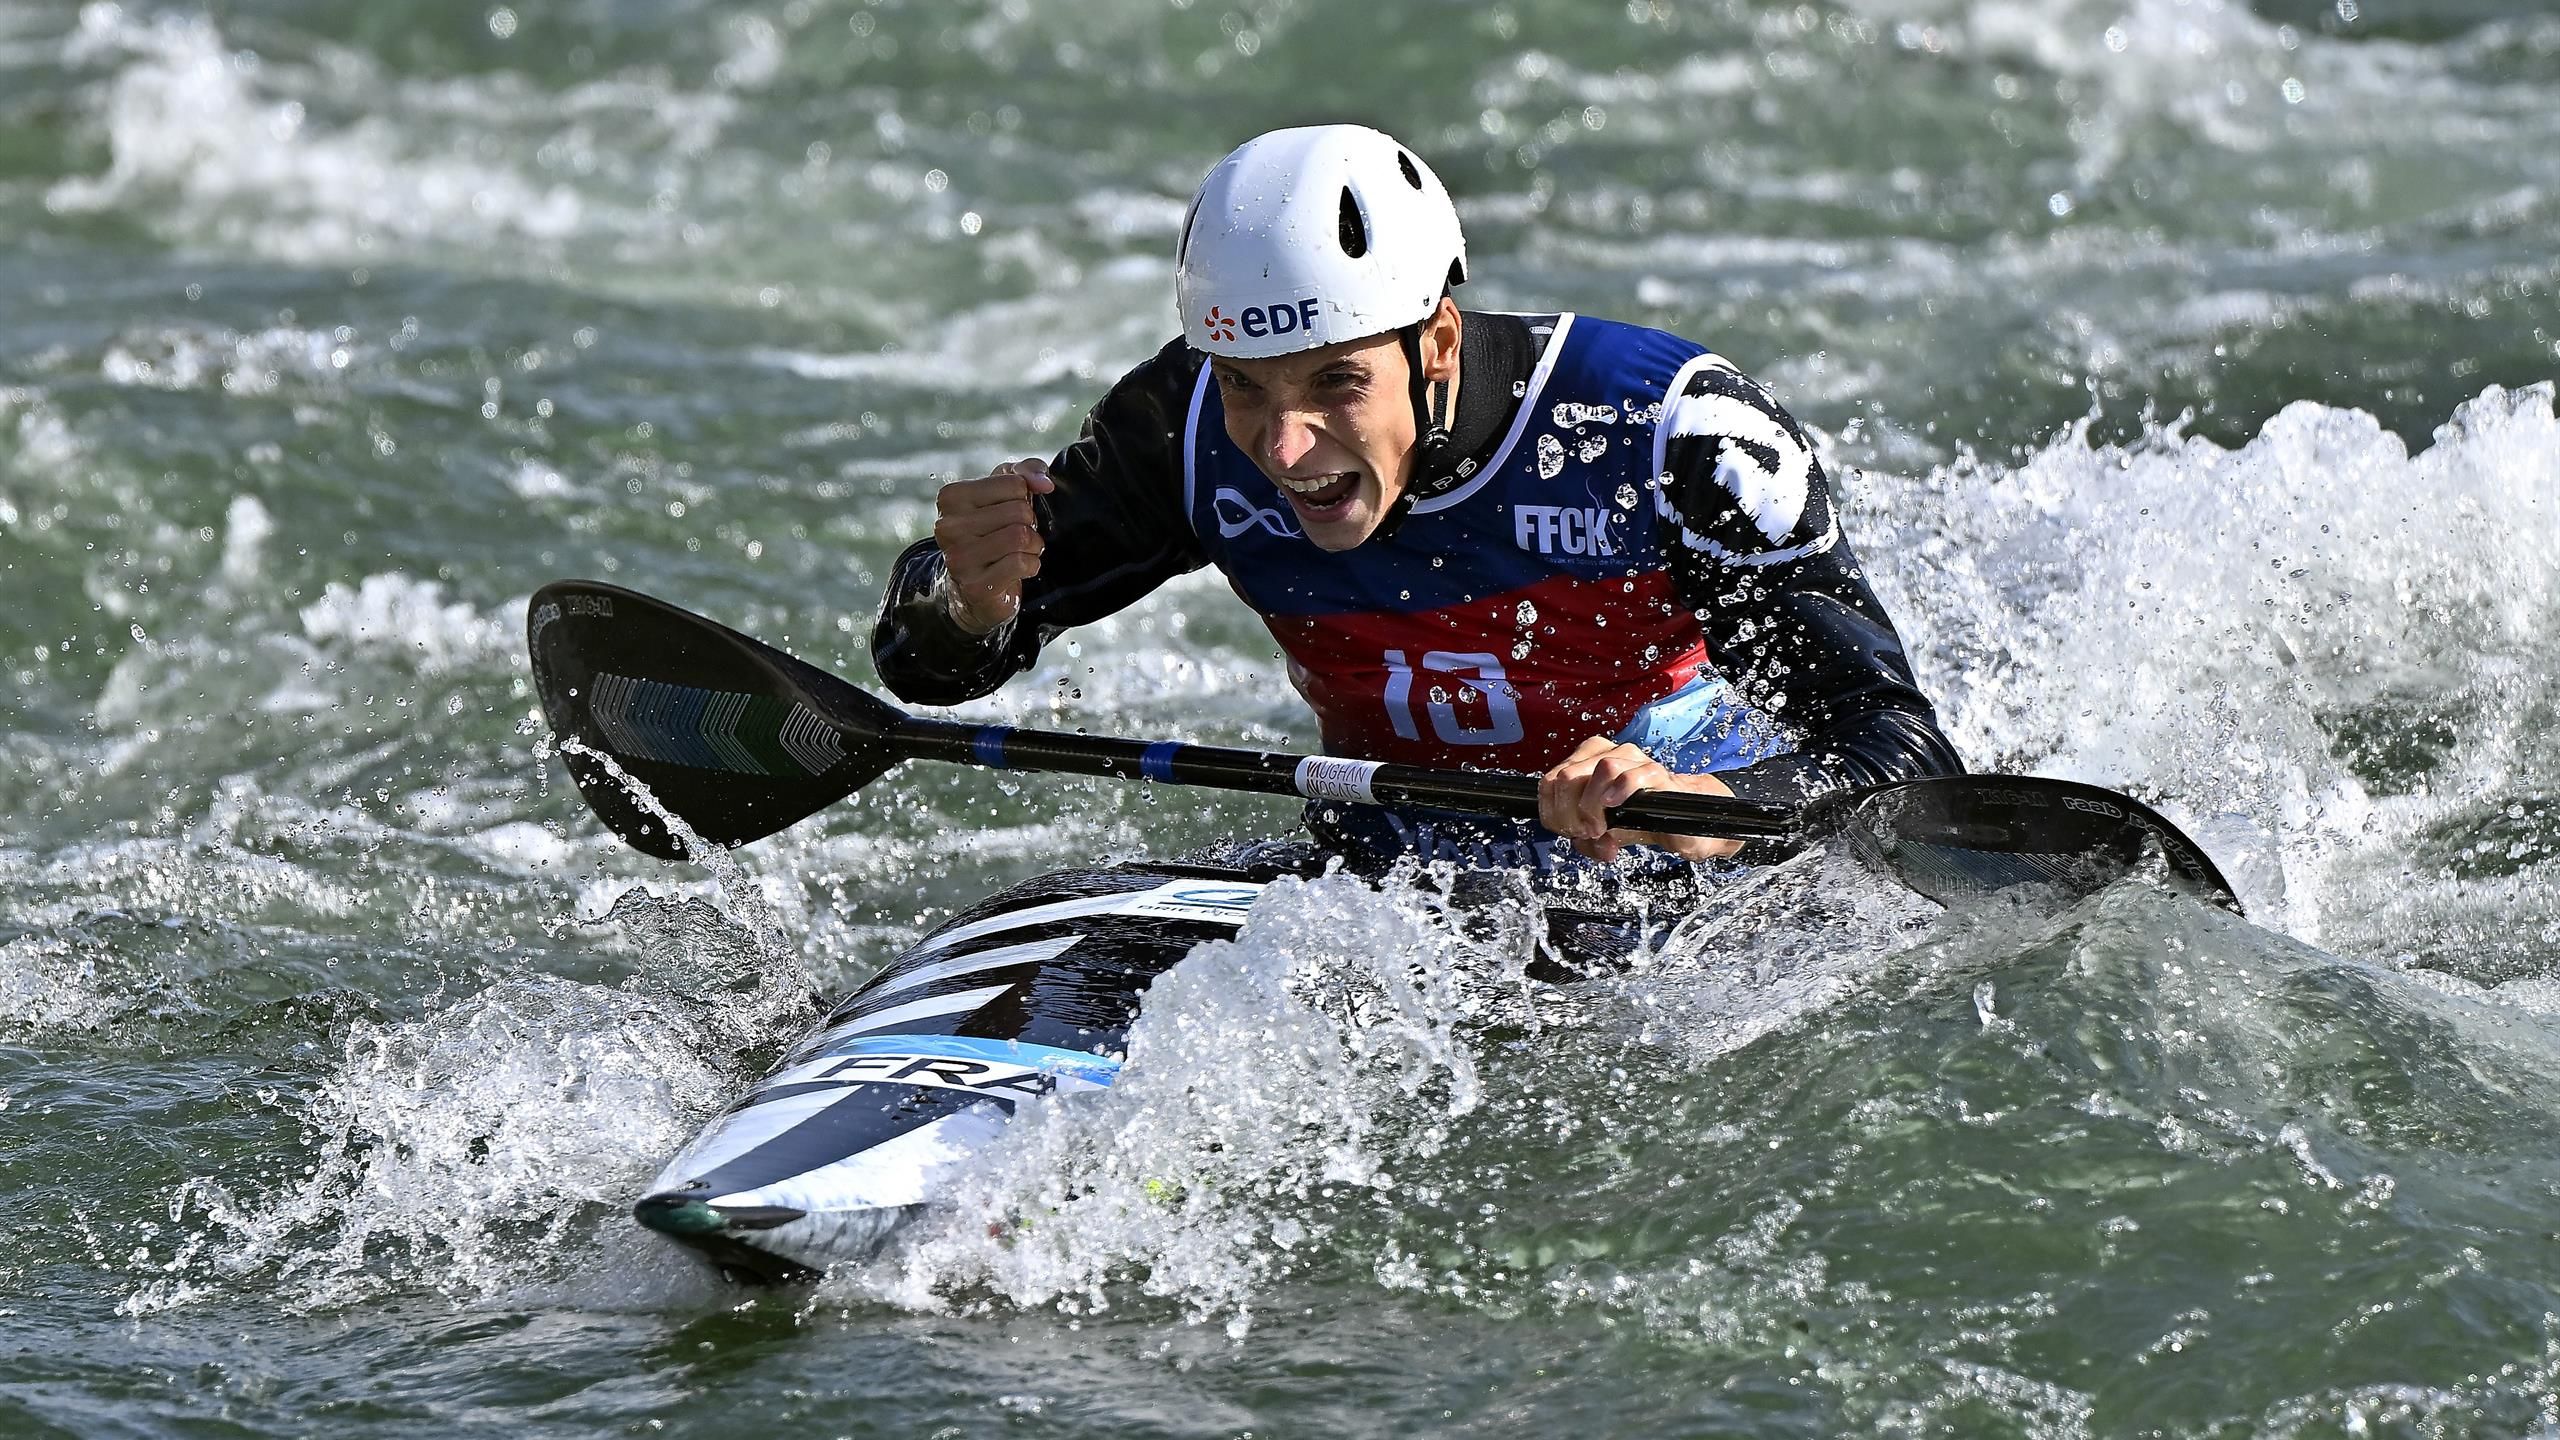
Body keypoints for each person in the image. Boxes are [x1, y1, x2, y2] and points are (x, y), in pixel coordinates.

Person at [873, 124, 1960, 873]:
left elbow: (1898, 750)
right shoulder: (1186, 423)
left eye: (1337, 382)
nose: (1285, 446)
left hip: (1672, 874)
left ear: (1436, 338)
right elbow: (927, 668)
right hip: (1384, 873)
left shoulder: (1670, 431)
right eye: (1248, 386)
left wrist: (1713, 808)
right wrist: (971, 603)